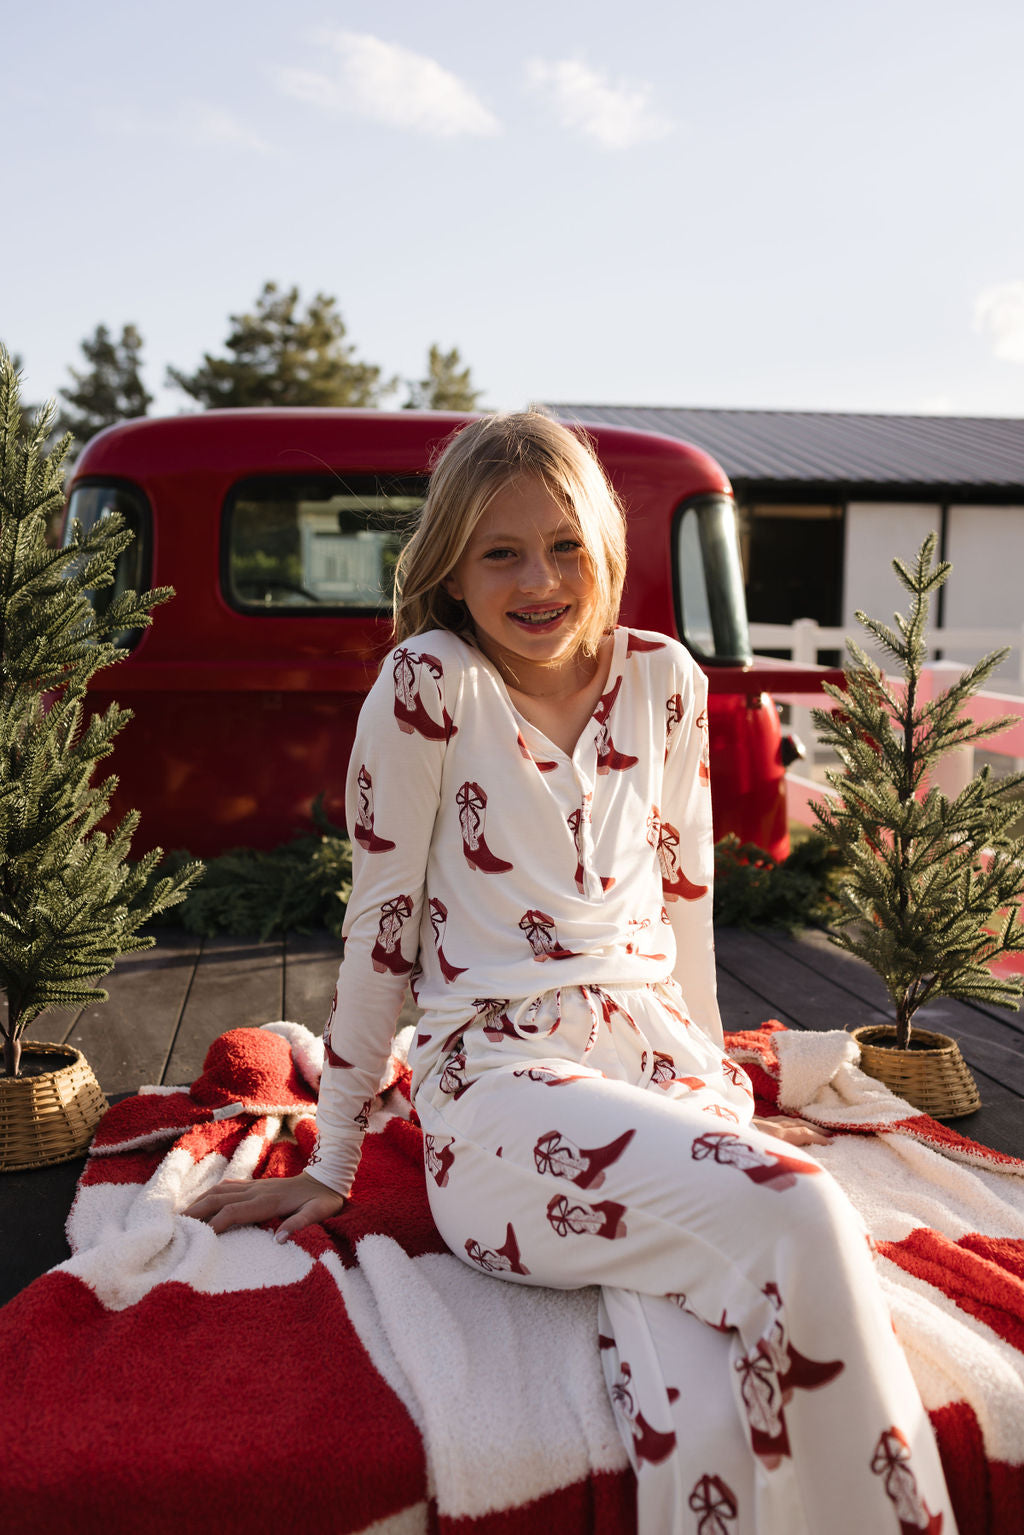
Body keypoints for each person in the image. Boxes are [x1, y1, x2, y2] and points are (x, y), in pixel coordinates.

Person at [186, 413, 957, 1534]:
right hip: (499, 1088)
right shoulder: (427, 685)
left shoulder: (666, 679)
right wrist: (336, 1158)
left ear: (605, 543)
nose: (539, 580)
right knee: (802, 1214)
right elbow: (380, 932)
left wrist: (720, 1090)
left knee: (711, 1388)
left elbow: (684, 912)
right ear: (449, 563)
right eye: (499, 551)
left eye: (565, 545)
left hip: (657, 1062)